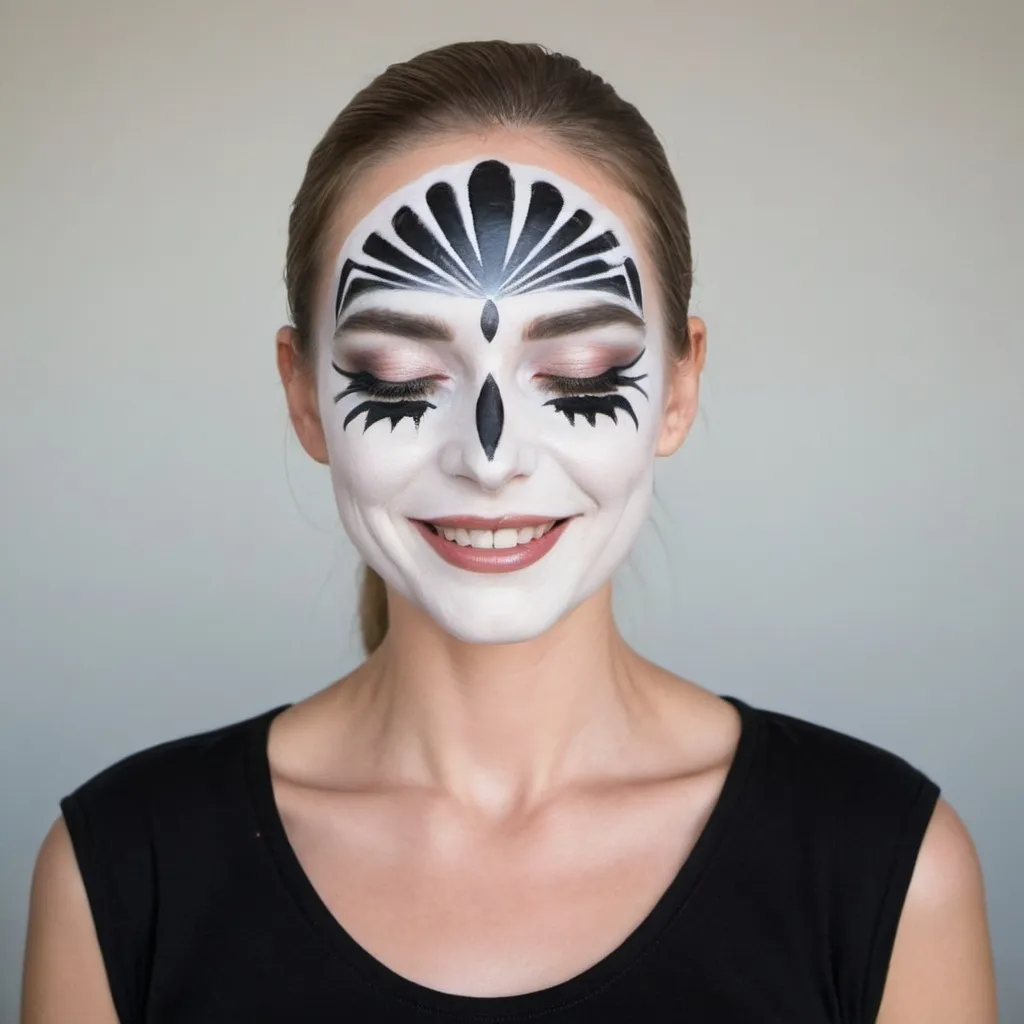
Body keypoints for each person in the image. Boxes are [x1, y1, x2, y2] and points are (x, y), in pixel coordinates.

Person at [21, 40, 997, 1024]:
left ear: (680, 384)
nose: (489, 460)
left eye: (576, 374)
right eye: (400, 378)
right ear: (304, 394)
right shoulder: (120, 874)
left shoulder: (888, 869)